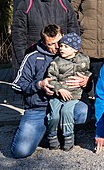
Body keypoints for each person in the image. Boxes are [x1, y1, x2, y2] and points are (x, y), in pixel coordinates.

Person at [10, 24, 90, 159]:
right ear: (43, 42)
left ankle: (58, 131)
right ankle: (40, 133)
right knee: (20, 151)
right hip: (38, 109)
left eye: (59, 42)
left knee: (83, 112)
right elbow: (17, 85)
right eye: (51, 44)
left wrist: (86, 82)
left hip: (65, 103)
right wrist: (39, 85)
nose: (57, 47)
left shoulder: (75, 55)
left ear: (63, 37)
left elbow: (88, 80)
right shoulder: (32, 57)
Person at [11, 0, 79, 70]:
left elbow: (73, 29)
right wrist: (23, 59)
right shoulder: (26, 5)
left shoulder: (64, 4)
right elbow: (18, 34)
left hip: (60, 56)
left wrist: (72, 52)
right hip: (35, 56)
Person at [46, 32, 91, 151]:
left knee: (66, 112)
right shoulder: (56, 62)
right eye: (61, 46)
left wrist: (86, 78)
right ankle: (52, 137)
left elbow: (87, 72)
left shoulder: (84, 59)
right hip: (58, 95)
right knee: (54, 115)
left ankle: (68, 137)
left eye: (66, 46)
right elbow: (51, 78)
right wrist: (59, 89)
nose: (61, 49)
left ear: (75, 49)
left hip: (74, 95)